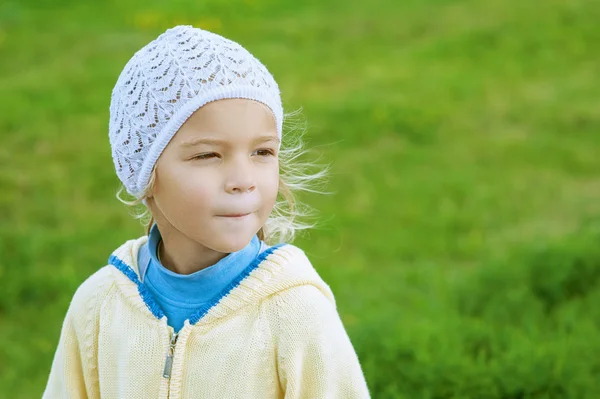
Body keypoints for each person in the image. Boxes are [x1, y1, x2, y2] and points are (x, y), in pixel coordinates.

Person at [43, 25, 370, 398]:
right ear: (144, 174)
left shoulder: (296, 312)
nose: (243, 180)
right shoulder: (99, 305)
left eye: (262, 152)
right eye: (207, 155)